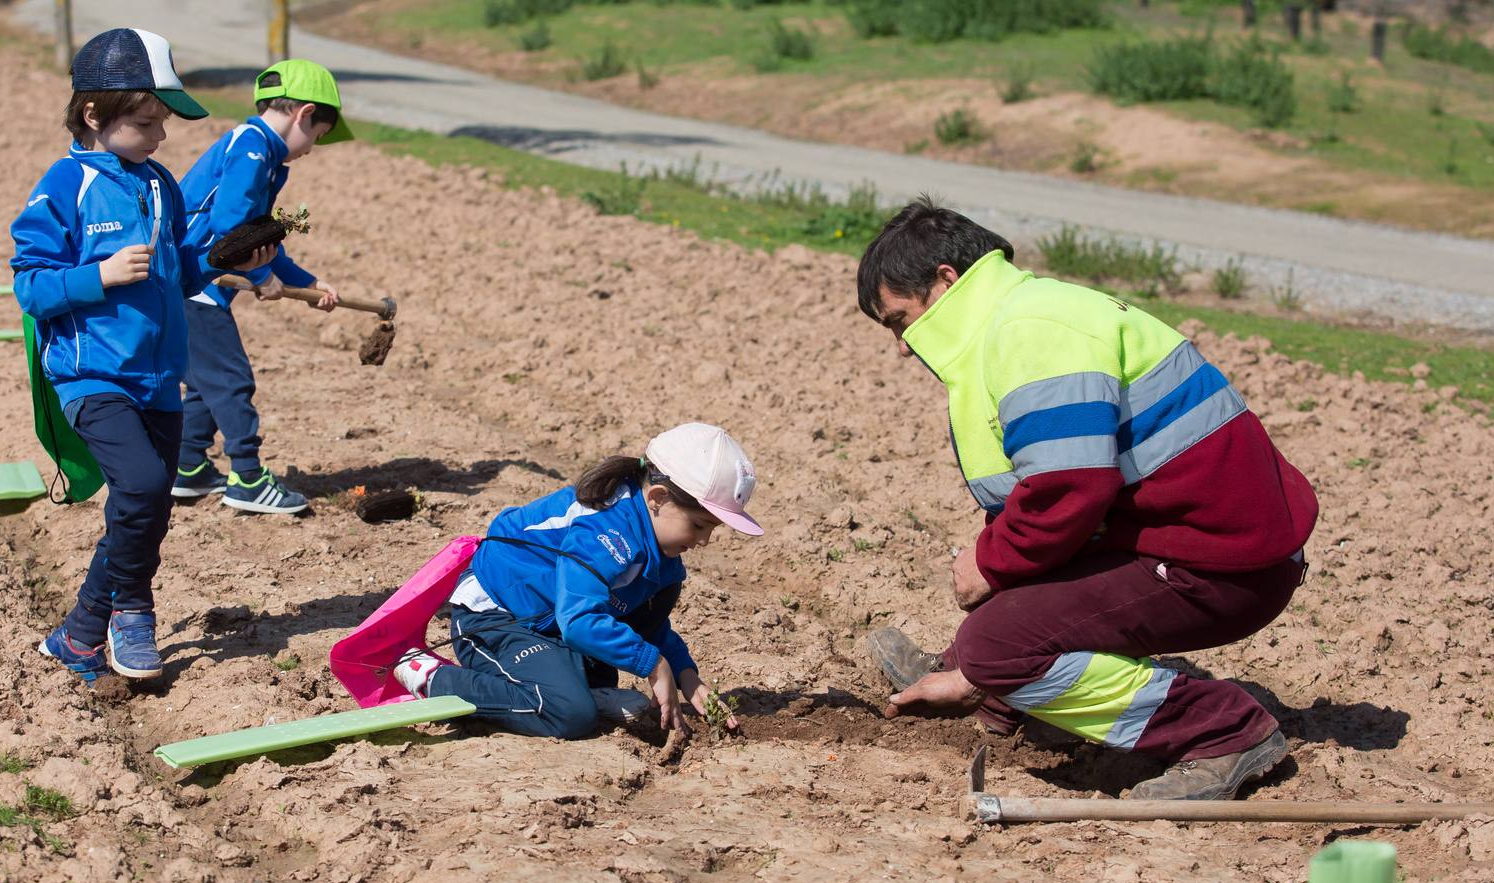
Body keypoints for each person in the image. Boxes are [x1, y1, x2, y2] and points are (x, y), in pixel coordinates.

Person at [857, 199, 1318, 801]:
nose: (901, 345)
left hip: (1220, 562)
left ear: (946, 280)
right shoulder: (1024, 314)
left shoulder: (1030, 333)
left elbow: (1066, 490)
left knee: (998, 643)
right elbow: (1052, 501)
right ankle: (991, 687)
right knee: (1001, 633)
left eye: (900, 320)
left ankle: (1223, 730)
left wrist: (988, 567)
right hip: (1188, 539)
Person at [13, 28, 277, 683]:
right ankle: (133, 612)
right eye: (144, 122)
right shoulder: (65, 183)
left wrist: (220, 260)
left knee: (147, 507)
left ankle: (79, 634)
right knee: (140, 486)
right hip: (91, 375)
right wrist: (96, 276)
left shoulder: (160, 183)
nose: (159, 137)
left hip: (159, 375)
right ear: (95, 114)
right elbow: (29, 283)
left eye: (161, 123)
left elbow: (176, 272)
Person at [394, 423, 762, 739]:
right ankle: (433, 677)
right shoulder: (604, 531)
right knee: (569, 713)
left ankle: (580, 691)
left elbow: (648, 626)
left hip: (550, 624)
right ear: (658, 498)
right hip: (495, 617)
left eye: (712, 530)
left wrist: (684, 672)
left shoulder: (663, 556)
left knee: (601, 673)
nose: (703, 541)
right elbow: (580, 621)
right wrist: (653, 665)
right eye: (698, 525)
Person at [169, 60, 354, 514]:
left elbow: (258, 238)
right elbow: (231, 225)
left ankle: (188, 468)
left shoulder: (264, 155)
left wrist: (306, 283)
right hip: (193, 282)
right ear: (303, 114)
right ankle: (248, 478)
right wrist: (261, 277)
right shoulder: (252, 149)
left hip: (195, 286)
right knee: (232, 380)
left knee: (206, 383)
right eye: (318, 135)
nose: (312, 148)